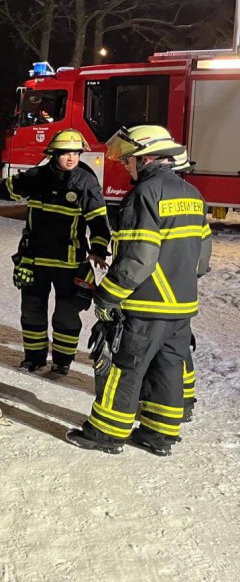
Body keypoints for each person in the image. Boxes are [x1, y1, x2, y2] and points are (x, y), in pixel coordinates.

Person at [66, 125, 211, 456]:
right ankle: (159, 435)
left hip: (146, 304)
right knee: (169, 367)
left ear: (146, 158)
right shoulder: (192, 194)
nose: (125, 165)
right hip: (181, 306)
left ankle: (106, 433)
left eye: (129, 160)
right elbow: (202, 257)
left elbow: (138, 259)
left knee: (125, 366)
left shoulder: (145, 195)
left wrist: (108, 295)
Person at [0, 129, 111, 374]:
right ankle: (34, 358)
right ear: (53, 154)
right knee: (31, 313)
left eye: (75, 153)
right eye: (65, 153)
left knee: (66, 316)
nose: (71, 158)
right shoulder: (37, 176)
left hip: (69, 263)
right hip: (33, 259)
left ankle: (62, 362)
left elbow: (98, 219)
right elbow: (6, 188)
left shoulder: (85, 181)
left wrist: (99, 248)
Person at [172, 149, 198, 422]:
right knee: (180, 353)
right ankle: (185, 402)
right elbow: (203, 254)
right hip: (184, 295)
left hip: (155, 298)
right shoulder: (194, 196)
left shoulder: (151, 194)